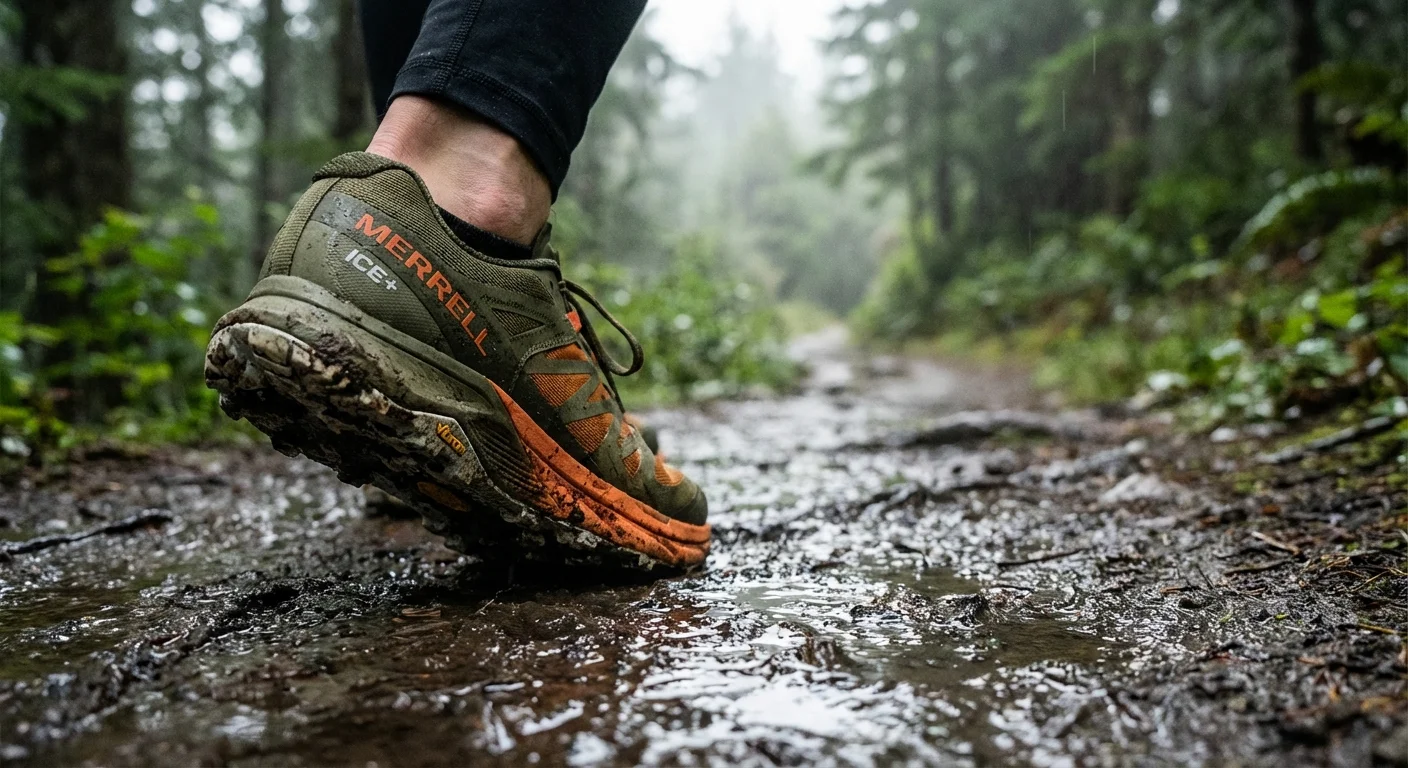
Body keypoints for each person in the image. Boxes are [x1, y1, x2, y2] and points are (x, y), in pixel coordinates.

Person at [204, 0, 709, 569]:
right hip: (454, 224)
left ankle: (402, 244)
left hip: (352, 224)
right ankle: (472, 200)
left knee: (424, 151)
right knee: (471, 164)